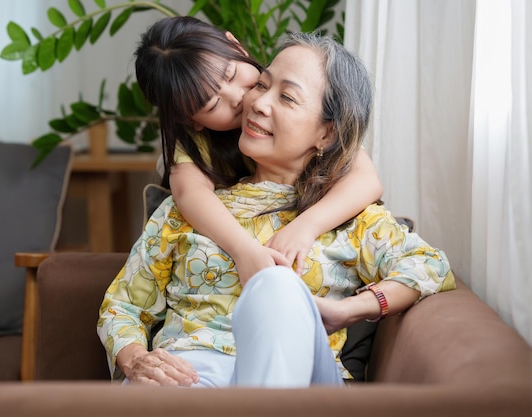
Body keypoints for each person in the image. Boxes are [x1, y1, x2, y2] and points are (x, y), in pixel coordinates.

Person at [97, 32, 456, 388]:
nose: (254, 103)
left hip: (298, 380)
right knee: (149, 391)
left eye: (286, 96)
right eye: (263, 85)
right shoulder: (185, 210)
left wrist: (349, 311)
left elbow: (431, 267)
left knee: (276, 285)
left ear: (327, 134)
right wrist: (137, 360)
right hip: (192, 374)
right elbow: (122, 305)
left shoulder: (350, 215)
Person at [134, 16, 383, 281]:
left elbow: (366, 180)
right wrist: (243, 250)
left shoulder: (299, 106)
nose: (239, 98)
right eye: (213, 104)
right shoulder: (195, 148)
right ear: (190, 120)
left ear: (236, 45)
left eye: (231, 74)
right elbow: (189, 194)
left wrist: (305, 227)